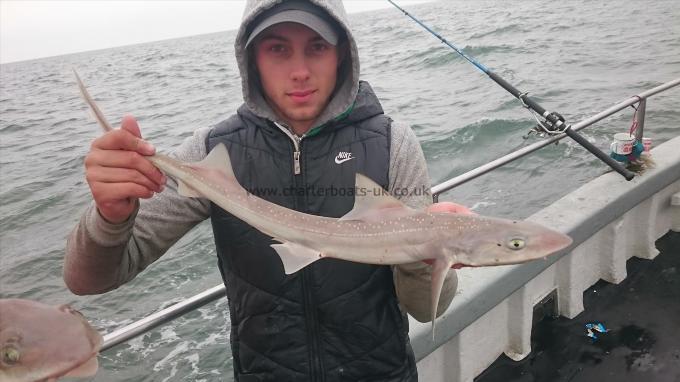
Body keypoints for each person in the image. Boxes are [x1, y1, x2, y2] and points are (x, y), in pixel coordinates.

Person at [64, 0, 469, 380]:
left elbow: (424, 308)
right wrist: (110, 217)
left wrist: (424, 253)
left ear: (342, 51)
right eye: (278, 49)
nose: (299, 71)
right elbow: (88, 281)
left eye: (316, 46)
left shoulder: (391, 143)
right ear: (251, 59)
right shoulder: (213, 153)